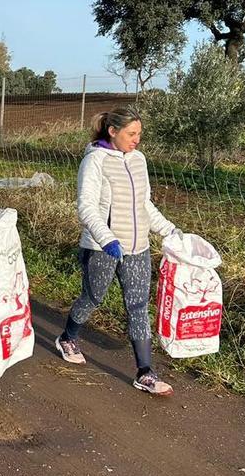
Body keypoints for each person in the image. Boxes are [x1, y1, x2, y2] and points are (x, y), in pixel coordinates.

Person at [55, 107, 180, 397]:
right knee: (93, 297)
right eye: (131, 134)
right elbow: (85, 206)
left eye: (139, 134)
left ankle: (145, 372)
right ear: (113, 131)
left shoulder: (138, 160)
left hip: (138, 247)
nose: (137, 140)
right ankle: (67, 337)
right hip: (102, 247)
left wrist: (169, 230)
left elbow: (144, 204)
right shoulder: (95, 160)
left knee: (137, 305)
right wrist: (107, 238)